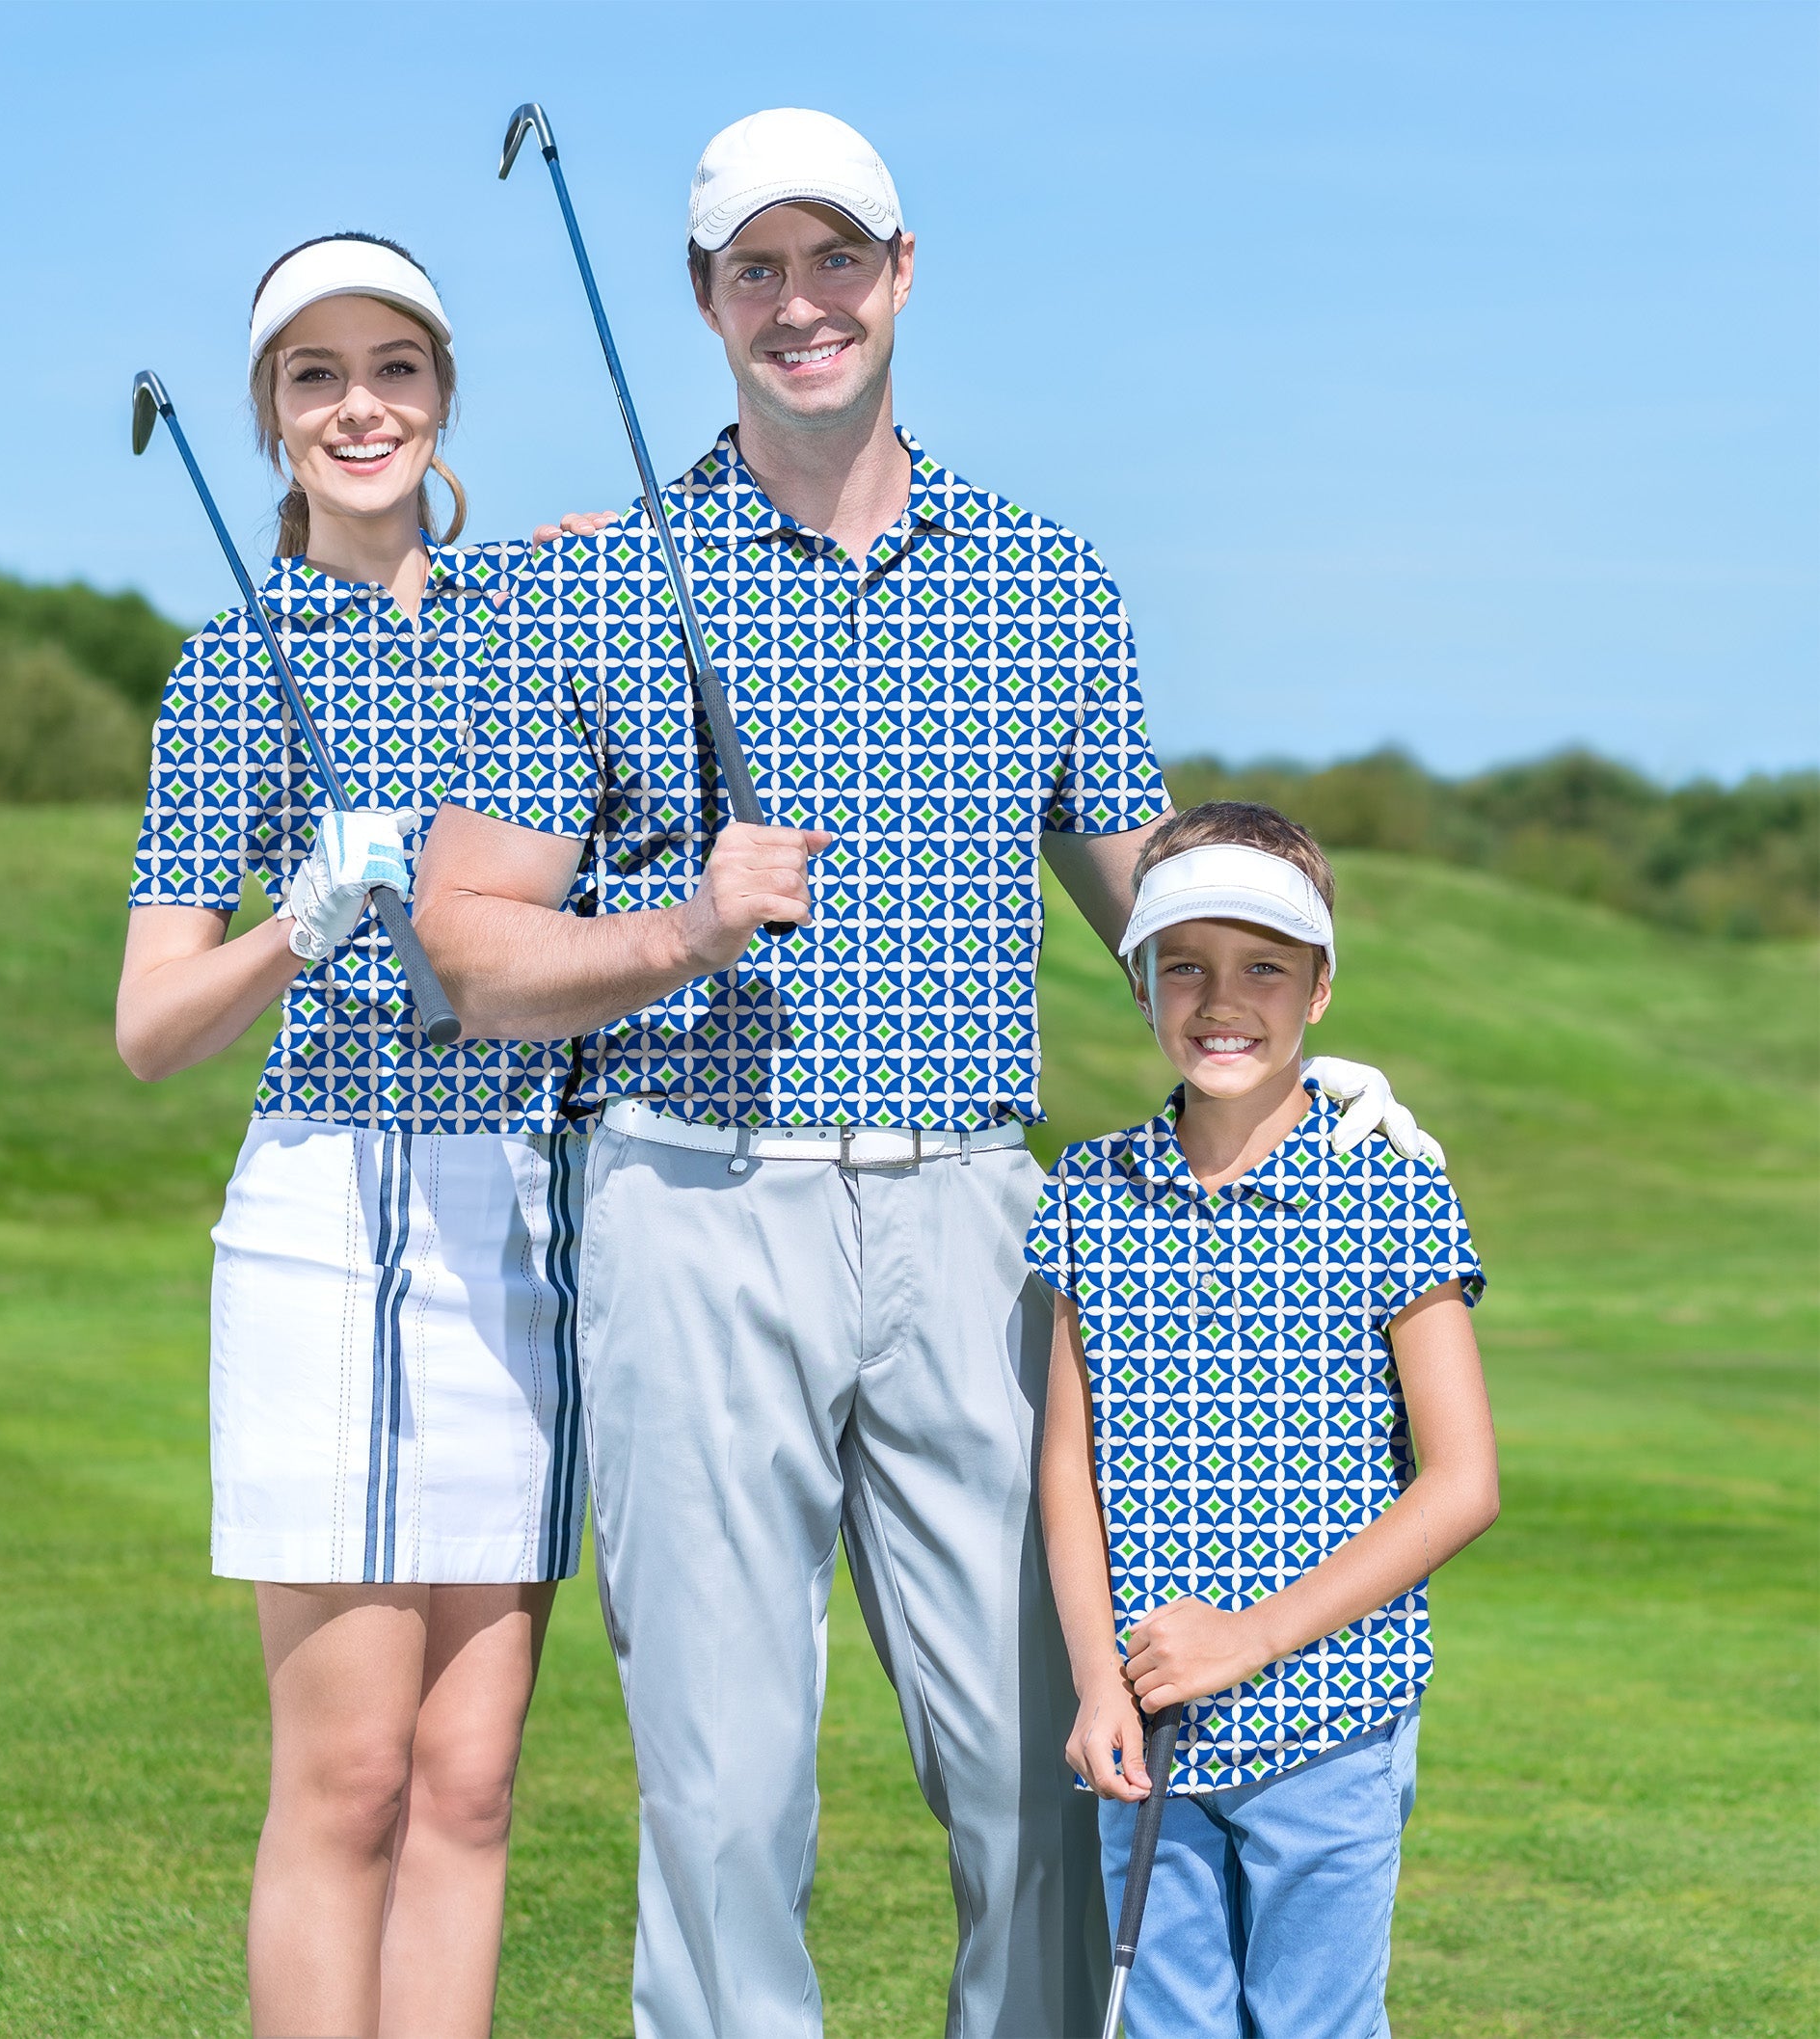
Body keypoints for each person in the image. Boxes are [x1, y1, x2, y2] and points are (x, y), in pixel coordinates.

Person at [414, 112, 1432, 2038]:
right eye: (755, 270)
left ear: (900, 271)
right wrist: (670, 934)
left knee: (1047, 1749)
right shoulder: (596, 584)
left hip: (978, 1216)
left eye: (835, 259)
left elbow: (1155, 906)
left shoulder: (1047, 587)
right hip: (690, 1197)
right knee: (725, 1790)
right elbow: (470, 943)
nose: (801, 304)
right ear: (705, 301)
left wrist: (1307, 1039)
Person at [117, 233, 605, 2039]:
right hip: (326, 1216)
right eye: (315, 375)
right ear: (269, 416)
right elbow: (152, 1026)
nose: (359, 406)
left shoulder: (544, 628)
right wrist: (300, 921)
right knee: (348, 1781)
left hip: (516, 1226)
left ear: (443, 394)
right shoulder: (232, 671)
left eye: (392, 367)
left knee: (471, 1780)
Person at [1031, 801, 1501, 2038]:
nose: (1220, 999)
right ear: (1139, 980)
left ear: (1319, 990)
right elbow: (1067, 1471)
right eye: (1183, 964)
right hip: (1147, 1724)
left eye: (1263, 968)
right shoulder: (1090, 1190)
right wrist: (1095, 1683)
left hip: (1332, 1715)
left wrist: (1249, 1639)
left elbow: (1462, 1483)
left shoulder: (1390, 1184)